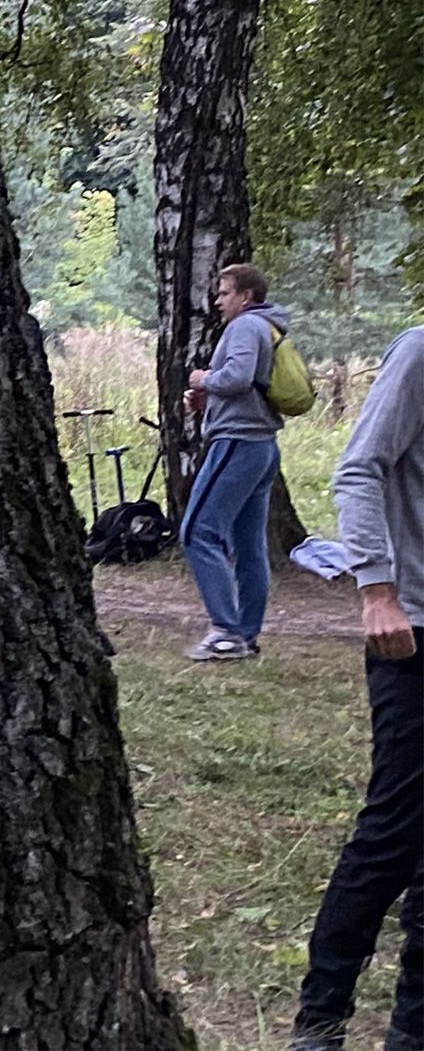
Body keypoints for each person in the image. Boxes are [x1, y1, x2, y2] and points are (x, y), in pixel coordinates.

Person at [290, 324, 424, 1050]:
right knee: (394, 830)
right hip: (412, 628)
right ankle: (321, 1015)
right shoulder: (422, 351)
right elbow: (357, 468)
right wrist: (377, 587)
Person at [180, 262, 290, 662]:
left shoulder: (245, 326)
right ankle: (246, 633)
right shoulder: (268, 327)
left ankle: (226, 632)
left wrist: (202, 380)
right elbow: (248, 384)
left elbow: (238, 377)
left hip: (238, 444)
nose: (218, 300)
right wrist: (210, 400)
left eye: (224, 293)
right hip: (262, 448)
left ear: (246, 296)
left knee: (197, 531)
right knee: (248, 545)